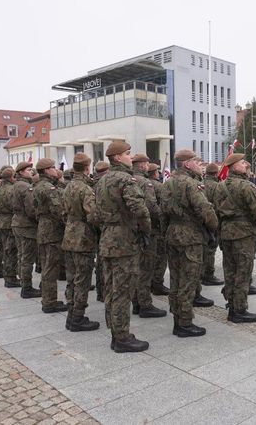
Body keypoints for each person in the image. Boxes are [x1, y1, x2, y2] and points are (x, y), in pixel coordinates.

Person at [92, 141, 151, 353]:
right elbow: (140, 209)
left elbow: (95, 214)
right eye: (127, 154)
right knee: (123, 290)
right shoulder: (125, 179)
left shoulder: (101, 181)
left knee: (111, 289)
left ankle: (116, 334)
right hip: (125, 240)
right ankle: (122, 337)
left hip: (107, 238)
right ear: (117, 157)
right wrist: (145, 230)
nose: (130, 157)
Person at [160, 149, 218, 337]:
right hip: (190, 237)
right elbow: (205, 210)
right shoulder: (191, 184)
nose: (197, 163)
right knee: (189, 281)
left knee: (176, 280)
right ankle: (184, 323)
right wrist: (213, 227)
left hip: (172, 234)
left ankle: (178, 318)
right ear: (186, 164)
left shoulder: (168, 184)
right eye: (194, 160)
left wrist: (166, 232)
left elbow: (162, 213)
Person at [214, 153, 256, 323]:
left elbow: (215, 211)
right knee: (243, 271)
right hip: (244, 234)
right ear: (234, 166)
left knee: (229, 271)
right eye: (243, 162)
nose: (246, 164)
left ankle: (231, 305)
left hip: (226, 232)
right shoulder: (247, 186)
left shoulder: (219, 187)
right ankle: (239, 310)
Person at [61, 153, 100, 332]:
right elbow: (92, 215)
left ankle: (71, 314)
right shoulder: (85, 189)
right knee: (82, 280)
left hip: (69, 235)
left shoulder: (67, 187)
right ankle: (78, 318)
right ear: (87, 168)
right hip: (83, 238)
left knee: (71, 278)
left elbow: (63, 213)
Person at [130, 153, 167, 318]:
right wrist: (162, 221)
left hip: (130, 231)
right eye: (146, 163)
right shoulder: (146, 183)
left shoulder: (127, 180)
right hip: (147, 231)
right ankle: (145, 304)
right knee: (146, 268)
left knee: (136, 267)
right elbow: (151, 208)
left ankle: (137, 302)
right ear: (143, 165)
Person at [33, 158, 68, 314]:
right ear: (46, 170)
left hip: (43, 228)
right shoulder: (48, 188)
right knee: (51, 267)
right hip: (52, 231)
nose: (55, 170)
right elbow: (58, 210)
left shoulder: (38, 186)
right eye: (53, 167)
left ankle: (48, 300)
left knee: (47, 266)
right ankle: (50, 302)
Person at [11, 162, 40, 298]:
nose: (31, 172)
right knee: (27, 258)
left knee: (22, 255)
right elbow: (31, 209)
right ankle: (27, 288)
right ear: (21, 172)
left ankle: (24, 283)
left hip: (17, 222)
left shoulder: (15, 185)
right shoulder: (25, 187)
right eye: (29, 170)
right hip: (26, 225)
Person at [0, 167, 22, 288]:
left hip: (2, 221)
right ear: (11, 177)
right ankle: (10, 277)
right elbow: (15, 206)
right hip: (10, 221)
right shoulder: (11, 190)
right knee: (12, 251)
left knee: (7, 250)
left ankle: (8, 275)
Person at [147, 163, 171, 296]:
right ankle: (157, 283)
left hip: (146, 227)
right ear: (155, 173)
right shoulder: (157, 186)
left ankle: (150, 283)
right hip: (157, 227)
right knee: (161, 257)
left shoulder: (142, 183)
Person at [201, 163, 224, 287]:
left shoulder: (199, 184)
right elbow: (221, 205)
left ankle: (201, 273)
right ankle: (208, 275)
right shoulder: (217, 186)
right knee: (210, 249)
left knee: (202, 249)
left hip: (201, 222)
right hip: (213, 221)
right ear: (216, 173)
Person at [93, 160, 110, 302]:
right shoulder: (104, 185)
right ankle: (104, 292)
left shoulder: (93, 185)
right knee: (104, 263)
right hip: (106, 227)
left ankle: (101, 292)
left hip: (98, 227)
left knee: (100, 261)